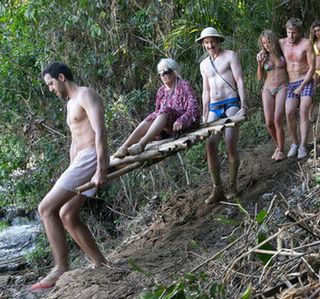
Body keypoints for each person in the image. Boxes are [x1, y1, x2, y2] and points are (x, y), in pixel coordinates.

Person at [31, 62, 108, 292]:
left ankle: (61, 265)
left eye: (51, 83)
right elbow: (75, 139)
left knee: (45, 209)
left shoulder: (86, 94)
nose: (51, 89)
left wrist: (101, 167)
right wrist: (71, 165)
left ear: (61, 77)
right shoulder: (70, 104)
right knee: (67, 214)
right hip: (80, 162)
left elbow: (100, 131)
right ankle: (101, 263)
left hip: (91, 158)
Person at [196, 27, 248, 204]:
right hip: (213, 106)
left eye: (212, 41)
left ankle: (232, 186)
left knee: (230, 142)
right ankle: (217, 188)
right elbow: (206, 91)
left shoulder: (230, 56)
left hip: (231, 102)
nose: (210, 45)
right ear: (203, 44)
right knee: (210, 145)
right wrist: (204, 114)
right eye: (206, 42)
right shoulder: (203, 65)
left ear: (218, 41)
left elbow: (240, 80)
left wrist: (244, 105)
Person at [113, 58, 200, 158]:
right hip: (168, 128)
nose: (162, 75)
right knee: (153, 115)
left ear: (174, 71)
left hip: (184, 124)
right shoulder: (161, 91)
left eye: (165, 72)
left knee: (164, 111)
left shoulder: (184, 85)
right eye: (160, 73)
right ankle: (124, 147)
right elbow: (157, 115)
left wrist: (182, 119)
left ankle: (141, 145)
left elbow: (194, 107)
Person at [278, 18, 315, 159]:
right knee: (289, 113)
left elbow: (312, 67)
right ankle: (295, 143)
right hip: (291, 83)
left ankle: (303, 146)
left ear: (299, 32)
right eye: (288, 32)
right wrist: (261, 53)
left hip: (305, 81)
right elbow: (267, 45)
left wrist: (302, 86)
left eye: (294, 33)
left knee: (304, 110)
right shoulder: (281, 43)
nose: (291, 36)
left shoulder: (307, 43)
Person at [256, 30, 288, 161]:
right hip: (268, 88)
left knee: (277, 119)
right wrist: (259, 64)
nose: (267, 45)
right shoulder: (263, 57)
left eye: (269, 41)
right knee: (269, 122)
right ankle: (278, 147)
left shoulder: (283, 52)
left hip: (282, 86)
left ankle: (281, 150)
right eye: (264, 43)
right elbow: (259, 77)